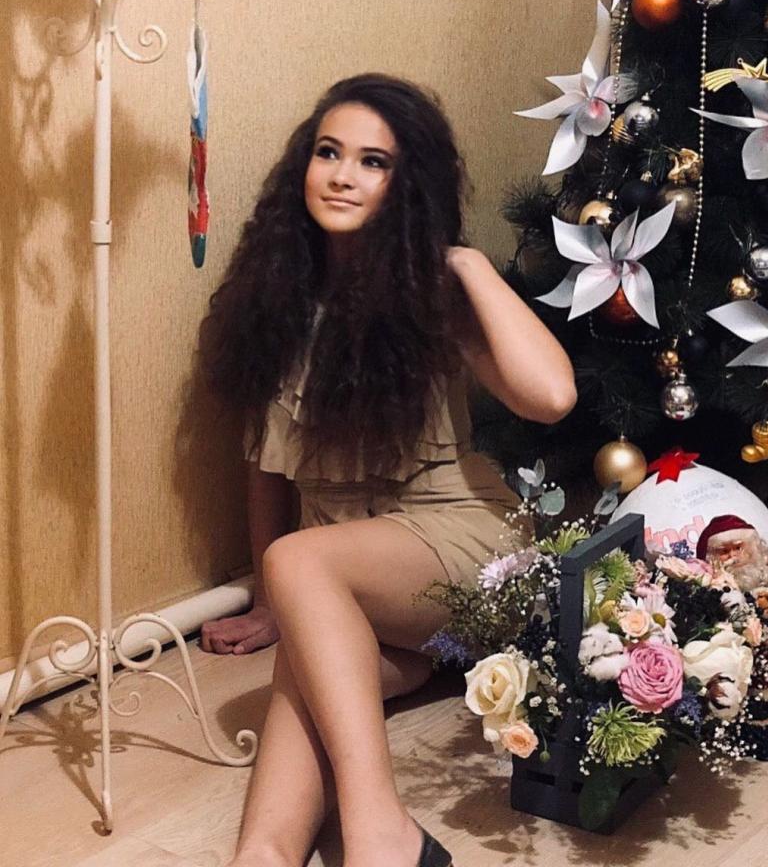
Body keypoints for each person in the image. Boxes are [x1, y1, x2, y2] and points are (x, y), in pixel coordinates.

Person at [196, 73, 576, 867]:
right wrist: (270, 602)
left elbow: (550, 396)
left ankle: (379, 832)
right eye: (328, 152)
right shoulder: (272, 293)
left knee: (301, 571)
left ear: (408, 184)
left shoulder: (432, 290)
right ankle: (261, 855)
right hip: (347, 581)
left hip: (462, 542)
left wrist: (467, 263)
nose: (342, 175)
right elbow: (263, 464)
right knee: (312, 668)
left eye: (373, 162)